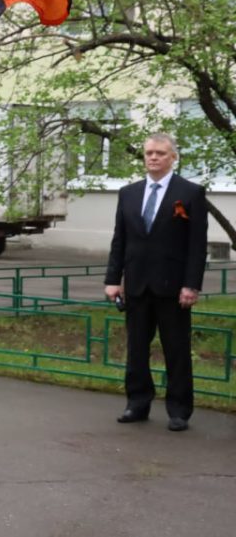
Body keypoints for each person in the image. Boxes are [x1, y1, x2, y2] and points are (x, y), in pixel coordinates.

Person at [105, 133, 207, 433]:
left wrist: (191, 284)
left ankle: (179, 410)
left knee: (176, 349)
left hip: (173, 288)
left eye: (160, 153)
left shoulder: (190, 193)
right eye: (149, 153)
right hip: (136, 285)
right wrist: (113, 279)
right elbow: (119, 240)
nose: (153, 158)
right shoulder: (128, 193)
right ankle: (137, 403)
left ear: (173, 157)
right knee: (136, 349)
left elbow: (197, 246)